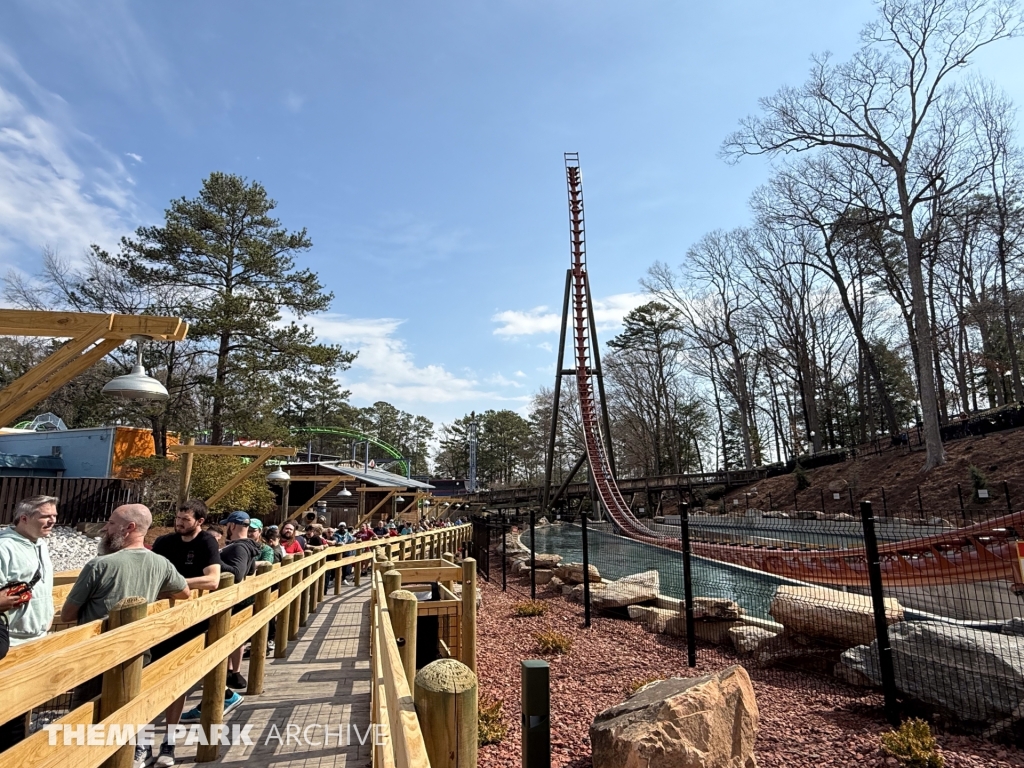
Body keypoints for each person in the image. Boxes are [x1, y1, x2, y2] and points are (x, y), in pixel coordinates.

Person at [60, 504, 190, 768]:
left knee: (86, 718)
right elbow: (184, 592)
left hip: (96, 658)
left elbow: (67, 615)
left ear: (129, 528)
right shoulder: (161, 564)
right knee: (129, 714)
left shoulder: (99, 565)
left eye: (110, 523)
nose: (105, 529)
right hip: (139, 655)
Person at [150, 499, 224, 767]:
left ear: (199, 521)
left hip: (190, 621)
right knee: (149, 680)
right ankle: (143, 743)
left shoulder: (206, 543)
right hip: (159, 619)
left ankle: (168, 743)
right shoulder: (164, 543)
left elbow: (213, 580)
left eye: (185, 520)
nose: (179, 524)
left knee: (176, 681)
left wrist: (176, 584)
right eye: (177, 519)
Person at [0, 495, 57, 751]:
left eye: (54, 516)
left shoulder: (40, 544)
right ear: (24, 518)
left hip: (36, 640)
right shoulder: (4, 548)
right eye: (46, 516)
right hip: (10, 642)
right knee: (6, 712)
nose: (52, 521)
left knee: (22, 710)